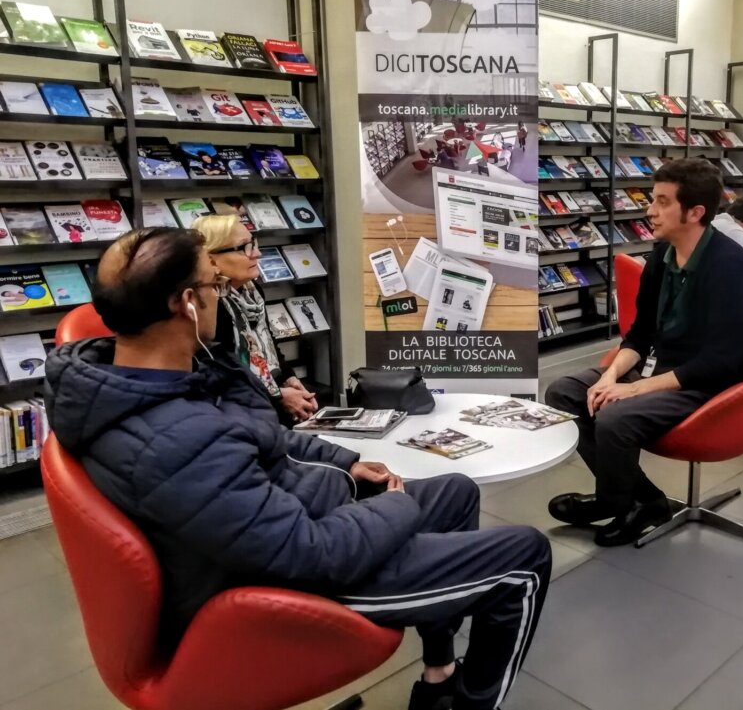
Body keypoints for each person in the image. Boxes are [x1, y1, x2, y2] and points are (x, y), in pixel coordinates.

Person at [44, 228, 551, 710]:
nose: (223, 293)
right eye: (213, 283)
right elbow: (311, 554)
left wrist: (349, 465)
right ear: (186, 303)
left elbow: (268, 440)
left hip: (283, 520)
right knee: (524, 555)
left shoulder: (150, 375)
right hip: (287, 581)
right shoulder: (173, 439)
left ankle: (438, 670)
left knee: (456, 490)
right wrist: (394, 507)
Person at [544, 159, 743, 547]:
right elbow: (641, 333)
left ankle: (617, 501)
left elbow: (722, 361)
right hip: (658, 371)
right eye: (652, 199)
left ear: (695, 213)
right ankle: (638, 499)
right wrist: (611, 376)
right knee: (564, 393)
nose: (649, 210)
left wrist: (633, 390)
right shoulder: (660, 258)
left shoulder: (731, 267)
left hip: (706, 385)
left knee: (614, 416)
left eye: (662, 202)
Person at [192, 214, 317, 425]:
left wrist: (291, 379)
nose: (257, 253)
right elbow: (224, 374)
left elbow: (269, 342)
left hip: (268, 401)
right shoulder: (209, 306)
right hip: (239, 415)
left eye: (254, 243)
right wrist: (278, 397)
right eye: (244, 247)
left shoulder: (252, 291)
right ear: (211, 259)